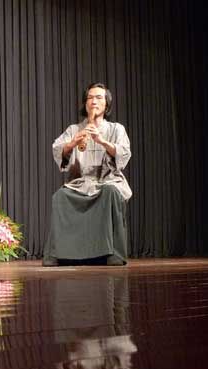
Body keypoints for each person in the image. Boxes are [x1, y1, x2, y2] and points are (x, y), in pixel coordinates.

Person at [43, 82, 132, 266]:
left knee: (110, 192)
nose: (93, 101)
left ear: (106, 104)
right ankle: (59, 254)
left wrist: (102, 141)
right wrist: (73, 143)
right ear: (85, 104)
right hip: (81, 183)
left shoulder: (116, 129)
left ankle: (113, 254)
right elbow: (58, 150)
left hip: (108, 180)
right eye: (90, 98)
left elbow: (123, 154)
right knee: (60, 196)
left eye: (99, 97)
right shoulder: (74, 129)